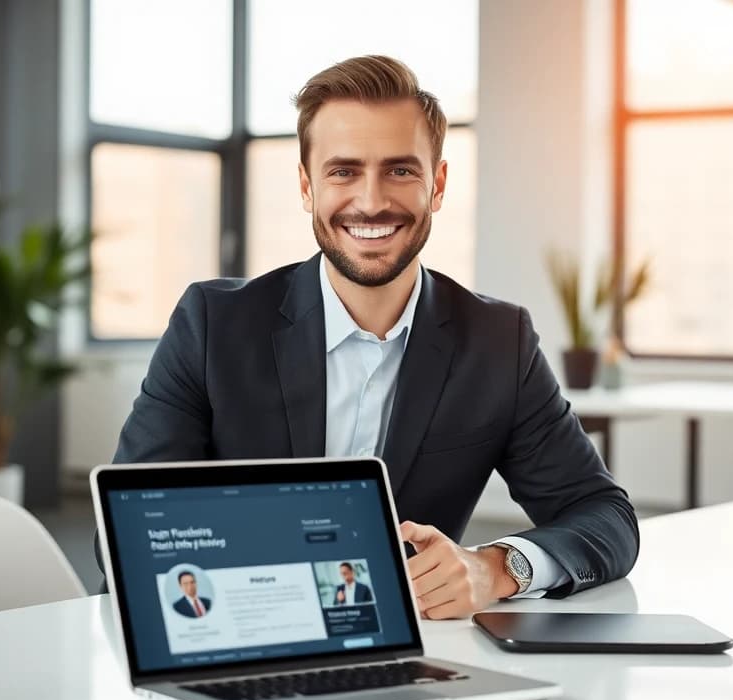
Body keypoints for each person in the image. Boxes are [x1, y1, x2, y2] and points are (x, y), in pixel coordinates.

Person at [108, 55, 639, 619]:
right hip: (225, 633)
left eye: (400, 171)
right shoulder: (212, 324)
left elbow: (604, 515)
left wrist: (496, 569)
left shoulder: (497, 341)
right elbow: (124, 528)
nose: (370, 201)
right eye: (343, 172)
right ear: (307, 187)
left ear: (437, 185)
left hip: (409, 653)